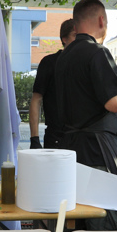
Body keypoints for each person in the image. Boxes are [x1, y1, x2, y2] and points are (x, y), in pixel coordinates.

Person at [56, 0, 117, 230]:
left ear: (75, 25)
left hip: (71, 151)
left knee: (78, 224)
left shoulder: (64, 57)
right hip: (97, 154)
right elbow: (114, 103)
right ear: (101, 20)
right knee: (105, 226)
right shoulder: (97, 52)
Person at [29, 18, 74, 149]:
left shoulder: (87, 63)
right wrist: (34, 138)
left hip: (82, 139)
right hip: (56, 137)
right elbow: (36, 100)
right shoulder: (49, 63)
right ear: (64, 39)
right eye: (75, 35)